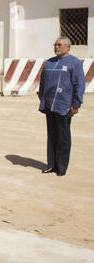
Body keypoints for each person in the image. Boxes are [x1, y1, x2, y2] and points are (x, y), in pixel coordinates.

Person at [38, 36, 85, 176]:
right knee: (52, 136)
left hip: (64, 106)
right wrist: (43, 98)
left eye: (59, 45)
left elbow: (79, 84)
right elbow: (42, 83)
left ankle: (62, 167)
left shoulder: (74, 63)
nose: (56, 47)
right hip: (49, 105)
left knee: (63, 137)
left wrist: (76, 103)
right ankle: (51, 164)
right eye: (55, 44)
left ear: (68, 47)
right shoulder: (49, 63)